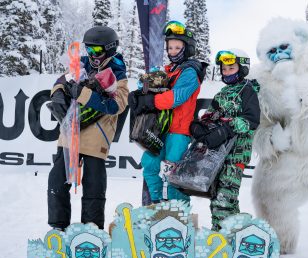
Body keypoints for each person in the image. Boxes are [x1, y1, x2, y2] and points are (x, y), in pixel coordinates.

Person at [47, 26, 129, 230]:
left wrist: (82, 93)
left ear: (109, 49)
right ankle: (58, 228)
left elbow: (116, 105)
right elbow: (62, 80)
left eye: (97, 51)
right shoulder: (81, 64)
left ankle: (91, 230)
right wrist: (57, 93)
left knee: (93, 186)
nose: (92, 55)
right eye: (89, 49)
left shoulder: (118, 73)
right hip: (70, 134)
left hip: (96, 137)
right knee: (57, 181)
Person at [133, 20, 206, 204]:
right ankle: (157, 203)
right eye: (170, 47)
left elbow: (177, 97)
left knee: (173, 173)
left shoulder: (191, 71)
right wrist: (139, 93)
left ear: (187, 48)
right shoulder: (167, 70)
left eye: (177, 47)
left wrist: (150, 101)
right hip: (160, 129)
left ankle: (179, 212)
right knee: (149, 165)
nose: (172, 51)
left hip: (178, 132)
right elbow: (148, 84)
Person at [191, 49, 260, 231]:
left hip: (237, 153)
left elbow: (251, 120)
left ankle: (222, 236)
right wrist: (200, 126)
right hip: (218, 154)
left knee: (225, 196)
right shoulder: (222, 93)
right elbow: (210, 115)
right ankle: (230, 231)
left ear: (242, 68)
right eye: (224, 69)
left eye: (231, 68)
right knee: (216, 196)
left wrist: (227, 130)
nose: (227, 72)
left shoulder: (248, 91)